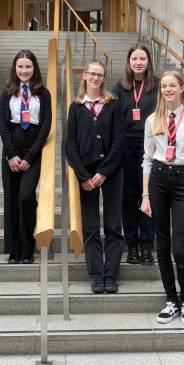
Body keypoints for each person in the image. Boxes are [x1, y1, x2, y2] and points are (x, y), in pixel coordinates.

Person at [141, 71, 184, 325]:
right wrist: (145, 194)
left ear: (181, 88)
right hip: (158, 179)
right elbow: (147, 158)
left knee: (179, 248)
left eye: (172, 86)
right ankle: (171, 300)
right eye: (164, 86)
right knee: (162, 245)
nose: (168, 89)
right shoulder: (152, 119)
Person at [65, 60, 125, 294]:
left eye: (100, 75)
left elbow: (120, 142)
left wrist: (104, 172)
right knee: (90, 226)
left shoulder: (113, 105)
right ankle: (96, 275)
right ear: (84, 76)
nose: (96, 78)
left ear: (104, 78)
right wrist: (83, 176)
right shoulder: (77, 106)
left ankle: (111, 273)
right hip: (86, 175)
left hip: (110, 172)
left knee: (113, 225)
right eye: (92, 74)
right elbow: (71, 145)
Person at [0, 50, 52, 264]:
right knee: (11, 199)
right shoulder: (7, 92)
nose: (23, 70)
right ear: (15, 68)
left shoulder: (43, 93)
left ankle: (27, 247)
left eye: (28, 66)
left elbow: (46, 125)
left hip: (34, 151)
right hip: (11, 149)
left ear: (34, 68)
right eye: (20, 66)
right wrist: (11, 155)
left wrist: (30, 156)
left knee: (26, 196)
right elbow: (3, 124)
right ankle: (14, 249)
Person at [112, 44, 159, 265]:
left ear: (148, 61)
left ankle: (147, 246)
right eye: (134, 59)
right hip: (126, 146)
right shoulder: (120, 87)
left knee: (147, 195)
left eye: (142, 58)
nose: (138, 62)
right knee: (128, 197)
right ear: (129, 62)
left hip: (151, 145)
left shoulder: (157, 85)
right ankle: (132, 246)